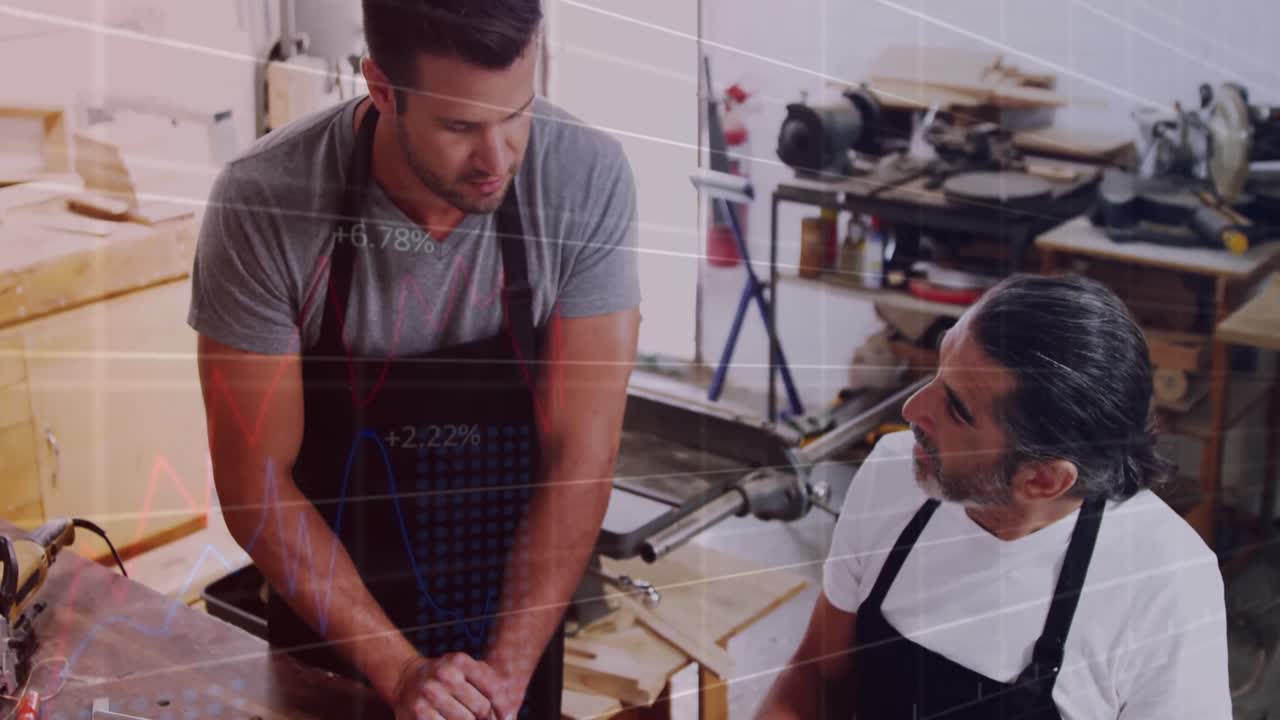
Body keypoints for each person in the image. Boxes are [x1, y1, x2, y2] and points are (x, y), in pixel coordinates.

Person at [189, 1, 641, 718]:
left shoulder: (584, 177)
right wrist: (401, 674)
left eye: (516, 113)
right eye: (460, 127)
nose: (498, 159)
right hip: (329, 646)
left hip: (511, 640)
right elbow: (257, 485)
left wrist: (499, 685)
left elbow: (581, 453)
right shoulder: (267, 204)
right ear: (381, 88)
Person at [755, 274, 1230, 719]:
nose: (912, 409)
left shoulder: (1167, 584)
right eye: (940, 370)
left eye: (957, 410)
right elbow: (817, 672)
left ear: (1043, 480)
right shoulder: (894, 471)